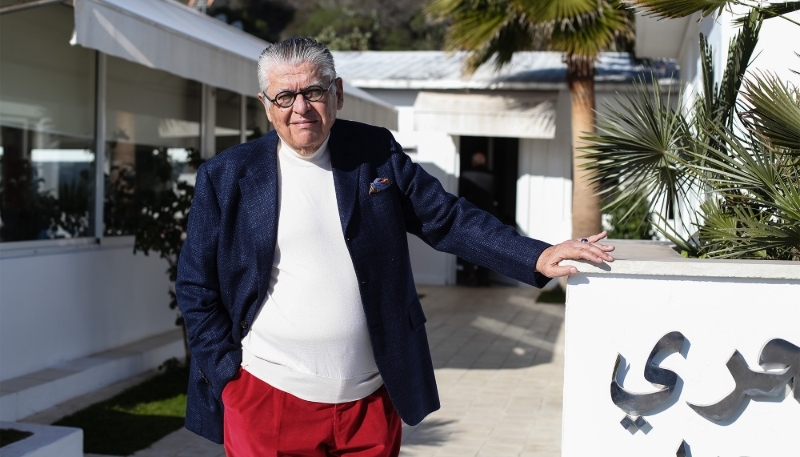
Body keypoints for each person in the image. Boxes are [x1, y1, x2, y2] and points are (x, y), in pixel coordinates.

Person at [176, 38, 614, 456]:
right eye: (284, 97)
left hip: (369, 400)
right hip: (267, 398)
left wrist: (534, 255)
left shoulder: (375, 153)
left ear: (338, 93)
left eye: (313, 91)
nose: (301, 108)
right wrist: (228, 377)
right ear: (266, 106)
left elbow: (445, 217)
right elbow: (196, 284)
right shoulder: (228, 175)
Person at [458, 151, 496, 286]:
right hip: (487, 217)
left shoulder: (466, 175)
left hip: (469, 216)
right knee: (486, 247)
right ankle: (483, 278)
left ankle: (469, 275)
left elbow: (461, 196)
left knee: (467, 245)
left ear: (473, 162)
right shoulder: (491, 176)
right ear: (484, 163)